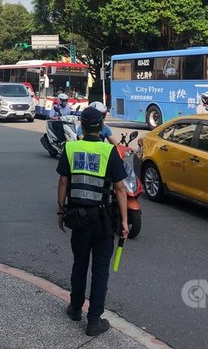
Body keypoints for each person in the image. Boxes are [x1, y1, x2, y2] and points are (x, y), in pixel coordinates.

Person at [56, 106, 128, 337]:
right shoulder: (110, 151)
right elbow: (119, 189)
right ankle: (94, 320)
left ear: (82, 125)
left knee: (79, 264)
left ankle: (75, 308)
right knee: (100, 271)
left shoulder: (71, 147)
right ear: (102, 125)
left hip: (78, 218)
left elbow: (63, 184)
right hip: (103, 220)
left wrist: (60, 212)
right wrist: (125, 222)